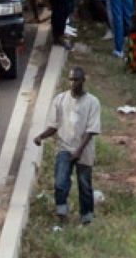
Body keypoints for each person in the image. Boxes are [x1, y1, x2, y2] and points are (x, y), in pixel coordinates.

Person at [33, 66, 101, 225]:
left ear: (83, 81)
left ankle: (87, 217)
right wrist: (41, 136)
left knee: (84, 184)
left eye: (76, 80)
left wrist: (79, 150)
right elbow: (54, 125)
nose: (73, 83)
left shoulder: (92, 102)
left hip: (84, 149)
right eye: (71, 79)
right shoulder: (60, 100)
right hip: (64, 147)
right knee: (60, 182)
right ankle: (61, 214)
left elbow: (91, 130)